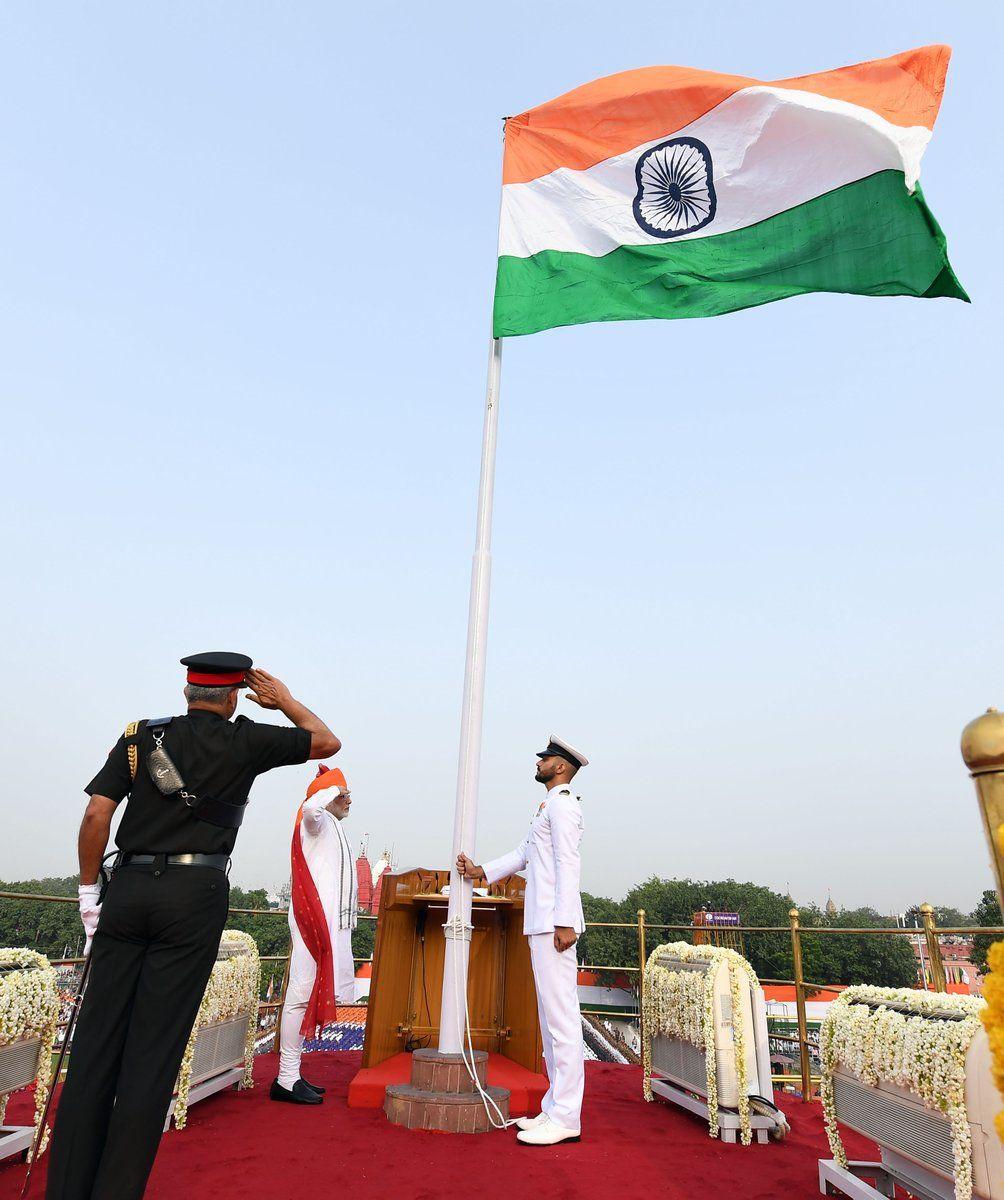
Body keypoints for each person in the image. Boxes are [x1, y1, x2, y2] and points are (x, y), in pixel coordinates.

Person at [47, 654, 340, 1200]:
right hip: (193, 894)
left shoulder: (141, 738)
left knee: (94, 1043)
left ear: (187, 692)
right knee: (153, 1051)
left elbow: (96, 816)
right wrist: (284, 701)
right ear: (233, 697)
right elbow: (325, 742)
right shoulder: (247, 740)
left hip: (128, 891)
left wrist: (90, 893)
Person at [457, 735, 587, 1147]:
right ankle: (554, 1107)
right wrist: (482, 872)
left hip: (555, 925)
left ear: (562, 767)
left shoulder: (565, 806)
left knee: (562, 1021)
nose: (539, 759)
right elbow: (523, 853)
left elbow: (568, 862)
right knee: (549, 1021)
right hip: (542, 923)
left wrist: (567, 922)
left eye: (546, 756)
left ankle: (567, 1116)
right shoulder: (548, 807)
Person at [272, 763, 358, 1104]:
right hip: (312, 923)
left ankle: (292, 1073)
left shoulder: (332, 825)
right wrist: (329, 787)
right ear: (330, 796)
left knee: (304, 993)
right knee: (299, 993)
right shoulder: (316, 821)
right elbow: (310, 807)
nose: (350, 800)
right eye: (345, 795)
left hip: (327, 924)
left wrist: (335, 787)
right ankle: (286, 1077)